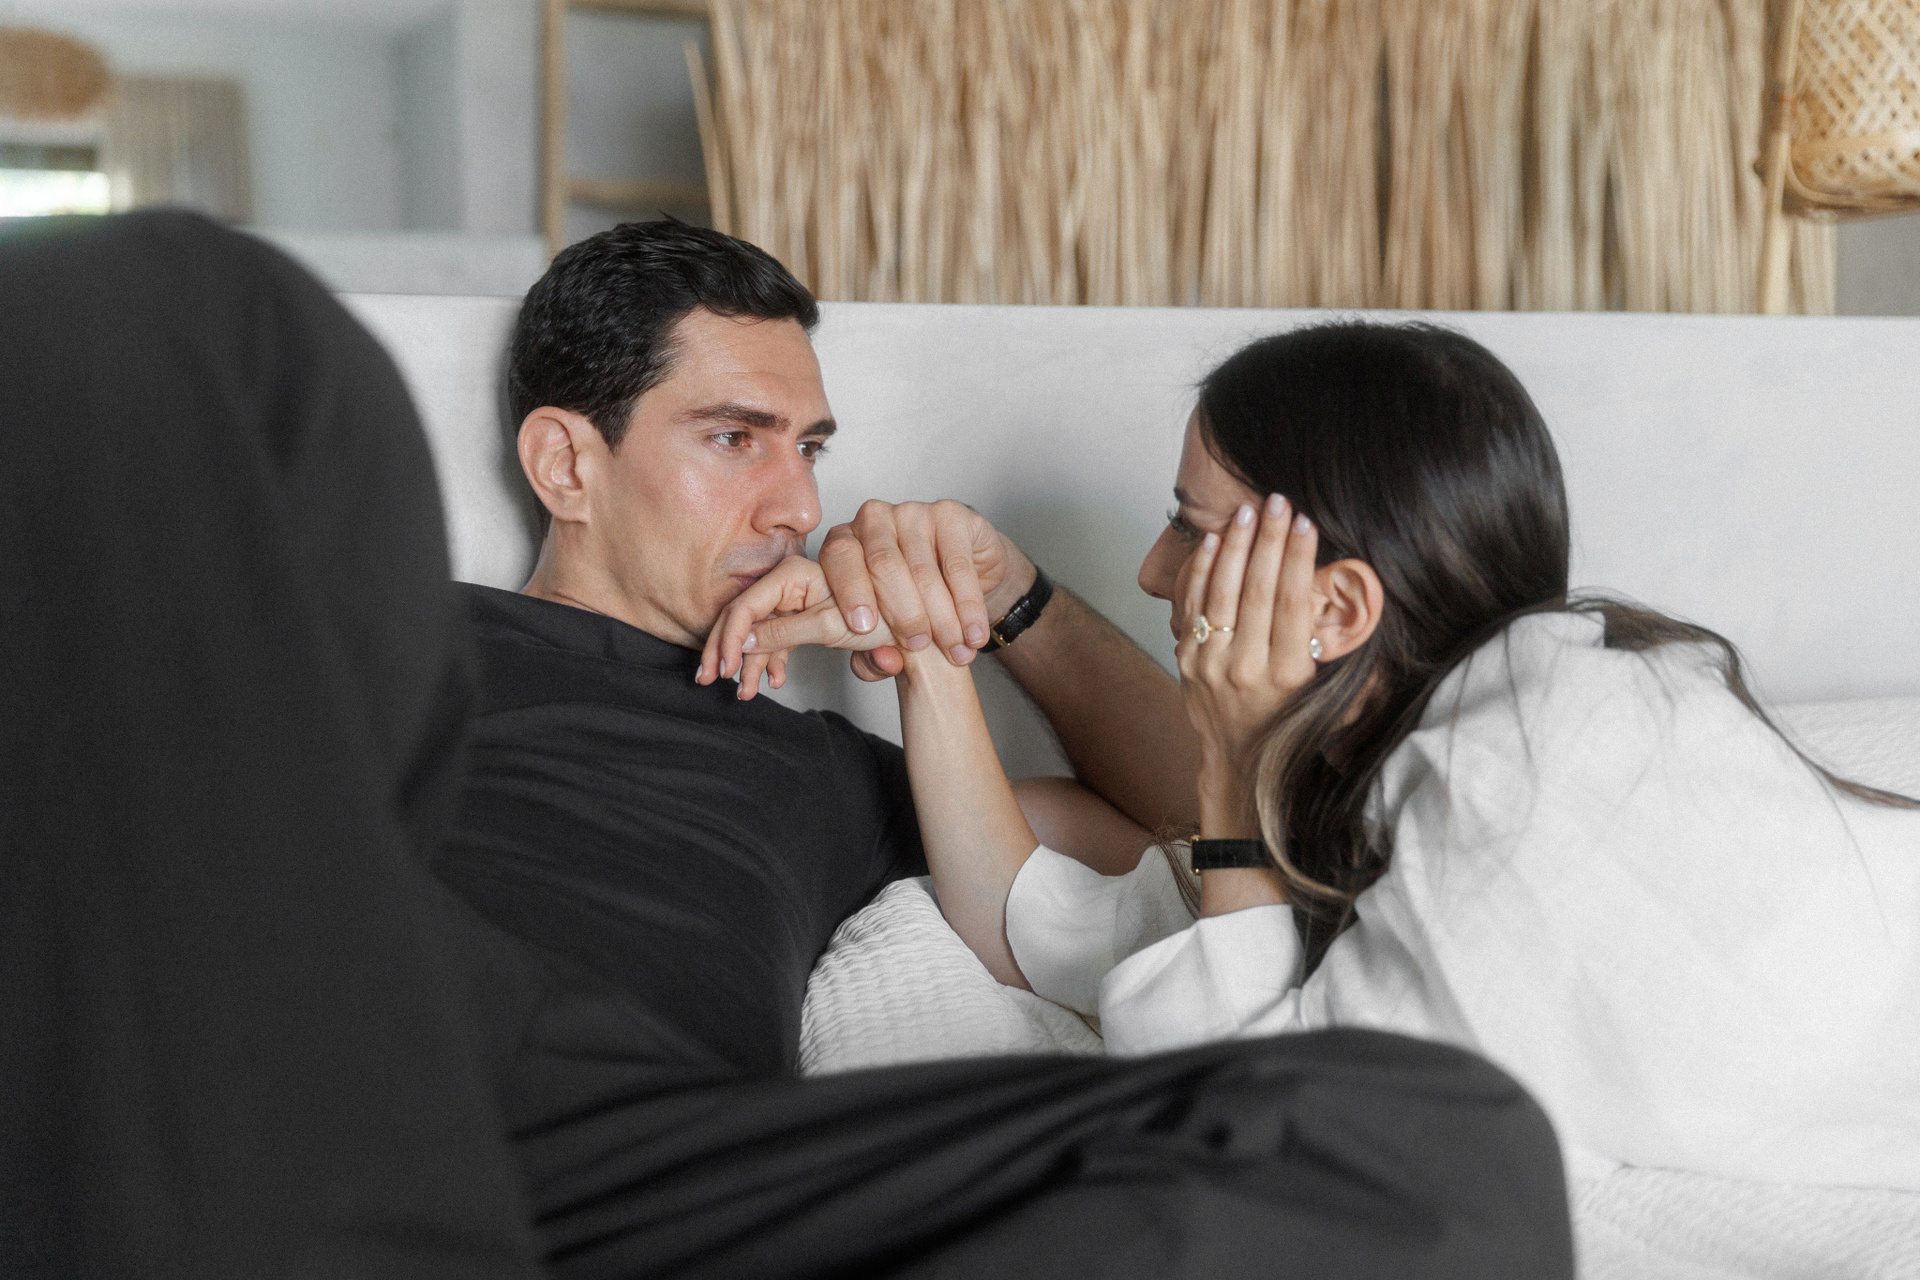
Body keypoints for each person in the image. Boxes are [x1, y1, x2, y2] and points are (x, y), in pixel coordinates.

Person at [3, 211, 1575, 1279]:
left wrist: (997, 606)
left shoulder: (820, 770)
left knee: (1438, 1142)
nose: (798, 505)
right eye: (733, 439)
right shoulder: (387, 628)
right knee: (188, 299)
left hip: (638, 1156)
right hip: (323, 1031)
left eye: (809, 449)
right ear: (565, 462)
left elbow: (1215, 819)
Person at [709, 319, 1920, 1191]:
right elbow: (1032, 923)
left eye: (1189, 527)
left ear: (1335, 610)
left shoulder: (1539, 749)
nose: (1153, 572)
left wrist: (1235, 763)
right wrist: (932, 644)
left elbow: (1266, 1114)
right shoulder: (1355, 774)